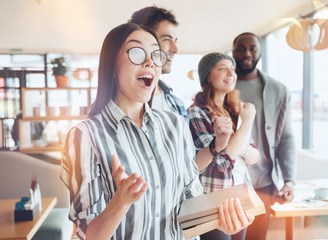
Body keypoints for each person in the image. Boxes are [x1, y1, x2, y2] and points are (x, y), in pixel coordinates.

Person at [60, 23, 254, 240]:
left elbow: (191, 203)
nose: (150, 61)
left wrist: (223, 222)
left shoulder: (176, 125)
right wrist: (120, 202)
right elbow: (88, 234)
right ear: (111, 66)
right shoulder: (85, 137)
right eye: (136, 52)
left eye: (156, 54)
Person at [188, 53, 260, 240]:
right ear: (207, 77)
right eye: (222, 68)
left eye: (232, 68)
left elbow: (255, 158)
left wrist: (236, 146)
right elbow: (220, 162)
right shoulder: (196, 113)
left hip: (240, 197)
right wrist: (247, 123)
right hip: (214, 201)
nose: (231, 73)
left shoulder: (235, 111)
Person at [232, 32, 296, 240]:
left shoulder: (278, 90)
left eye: (252, 48)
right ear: (233, 52)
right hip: (227, 187)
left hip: (263, 185)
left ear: (260, 52)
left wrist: (289, 180)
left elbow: (286, 138)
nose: (246, 53)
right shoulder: (221, 86)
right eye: (240, 48)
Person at [128, 6, 188, 120]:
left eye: (175, 41)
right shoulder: (116, 105)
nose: (175, 49)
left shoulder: (177, 104)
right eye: (166, 39)